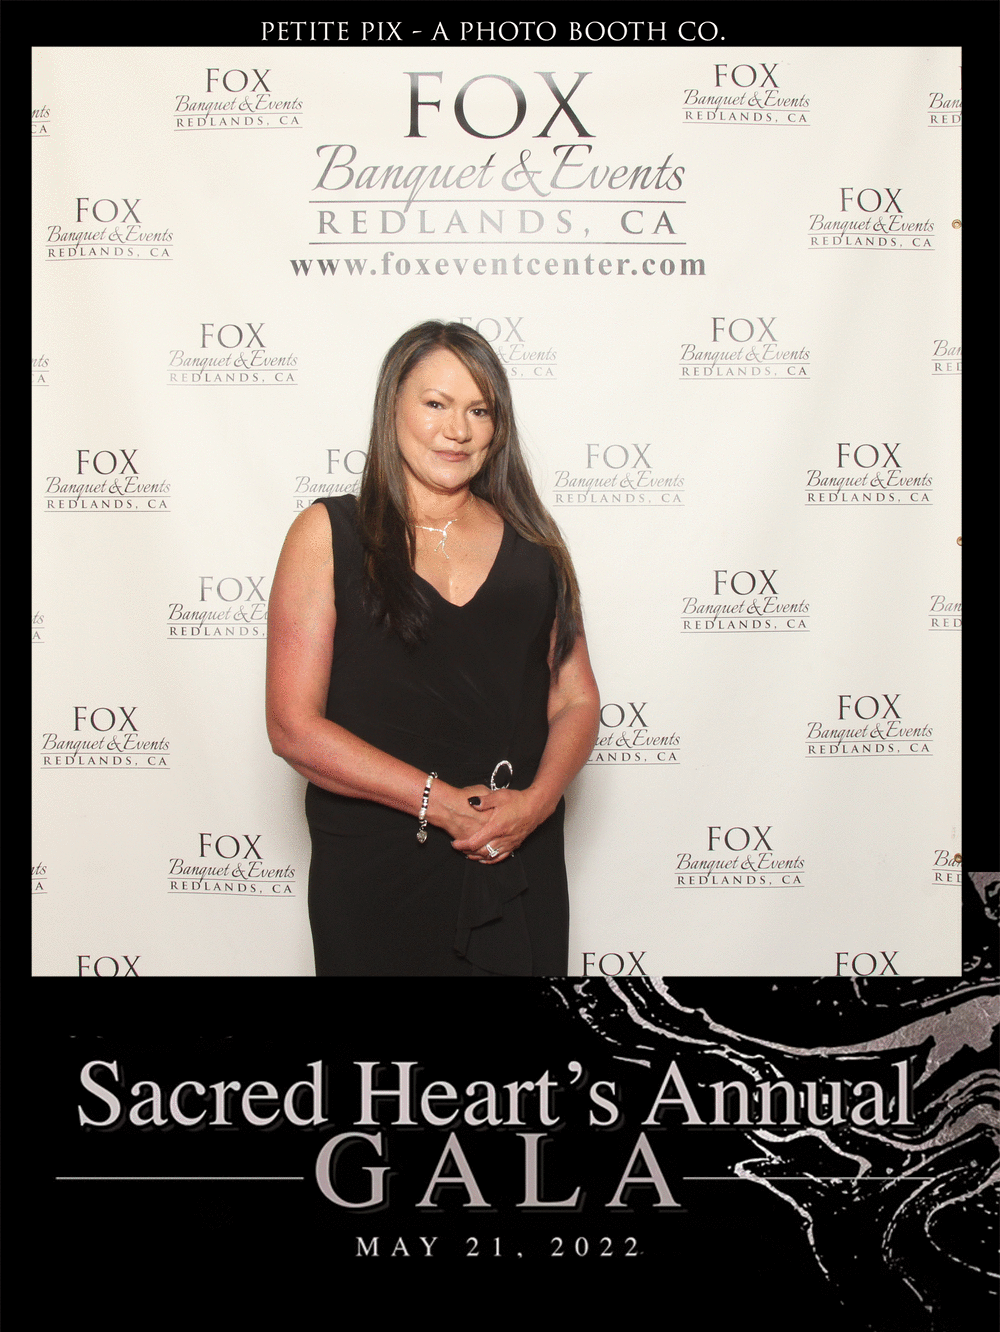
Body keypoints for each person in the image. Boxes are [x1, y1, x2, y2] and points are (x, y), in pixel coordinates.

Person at [266, 321, 600, 976]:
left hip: (513, 853)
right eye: (436, 403)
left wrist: (533, 805)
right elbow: (293, 727)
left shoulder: (535, 544)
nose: (458, 430)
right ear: (392, 405)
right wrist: (440, 803)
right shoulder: (327, 533)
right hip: (378, 867)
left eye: (480, 410)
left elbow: (576, 698)